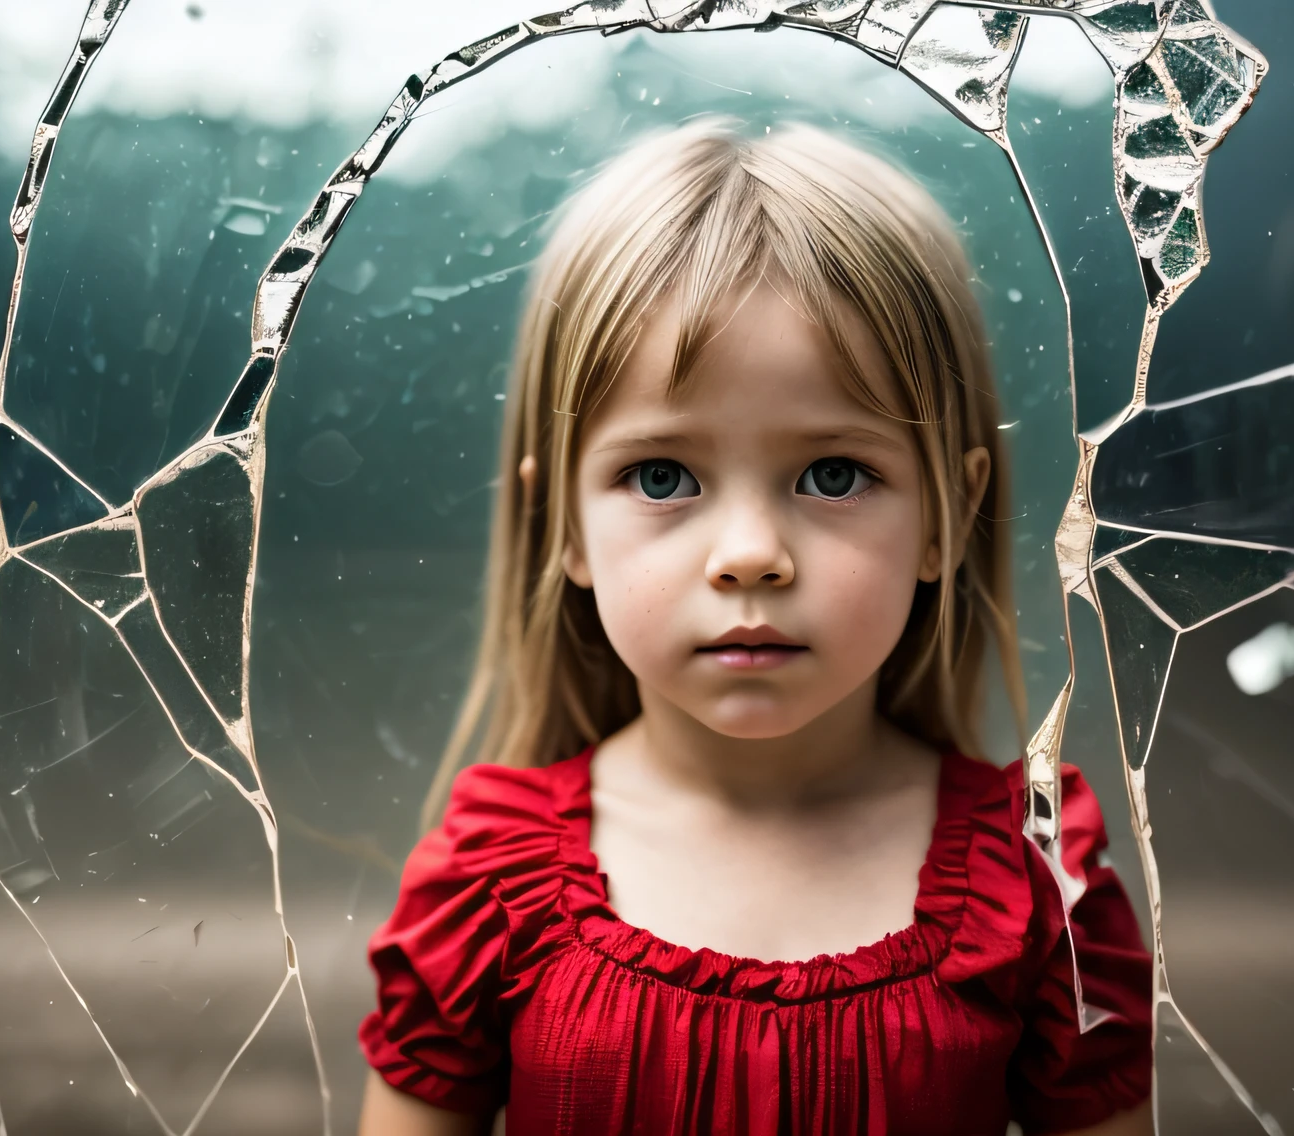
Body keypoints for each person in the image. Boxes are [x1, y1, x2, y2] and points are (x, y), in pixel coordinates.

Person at [355, 119, 1153, 1136]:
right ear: (563, 524)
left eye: (832, 474)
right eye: (661, 477)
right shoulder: (481, 888)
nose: (748, 553)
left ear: (944, 516)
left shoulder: (1040, 887)